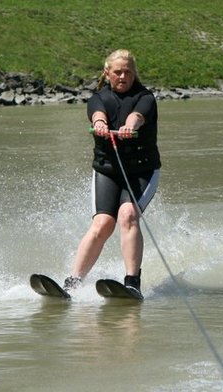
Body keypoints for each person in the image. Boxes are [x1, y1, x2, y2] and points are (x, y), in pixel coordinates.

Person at [63, 49, 161, 296]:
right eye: (117, 72)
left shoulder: (145, 97)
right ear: (107, 73)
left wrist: (130, 126)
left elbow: (138, 116)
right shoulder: (99, 98)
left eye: (128, 72)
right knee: (103, 223)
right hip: (108, 170)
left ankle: (131, 282)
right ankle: (73, 282)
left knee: (128, 214)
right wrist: (99, 123)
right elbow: (97, 112)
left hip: (142, 171)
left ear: (134, 73)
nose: (122, 76)